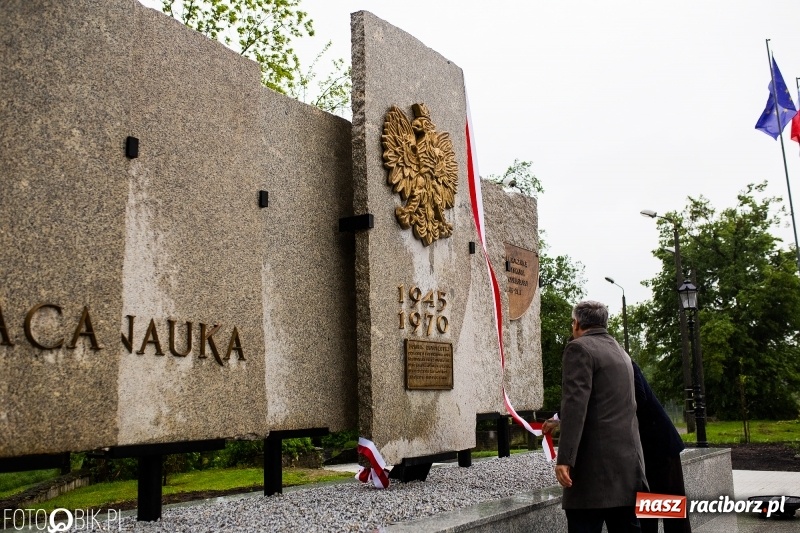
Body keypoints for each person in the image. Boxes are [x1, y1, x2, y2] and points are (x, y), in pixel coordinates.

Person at [550, 300, 648, 533]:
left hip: (593, 473)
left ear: (576, 323)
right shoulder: (621, 351)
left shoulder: (579, 348)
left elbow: (575, 406)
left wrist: (565, 459)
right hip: (627, 469)